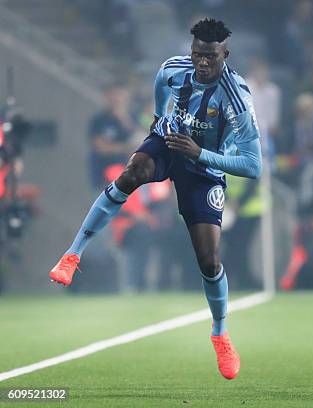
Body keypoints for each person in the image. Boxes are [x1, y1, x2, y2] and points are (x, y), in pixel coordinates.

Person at [48, 18, 262, 380]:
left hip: (203, 165)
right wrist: (160, 123)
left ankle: (220, 332)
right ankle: (72, 254)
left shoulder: (237, 97)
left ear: (224, 54)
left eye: (210, 56)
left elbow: (253, 166)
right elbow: (161, 93)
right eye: (197, 55)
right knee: (131, 173)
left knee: (209, 261)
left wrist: (200, 153)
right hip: (169, 143)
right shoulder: (172, 69)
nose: (202, 63)